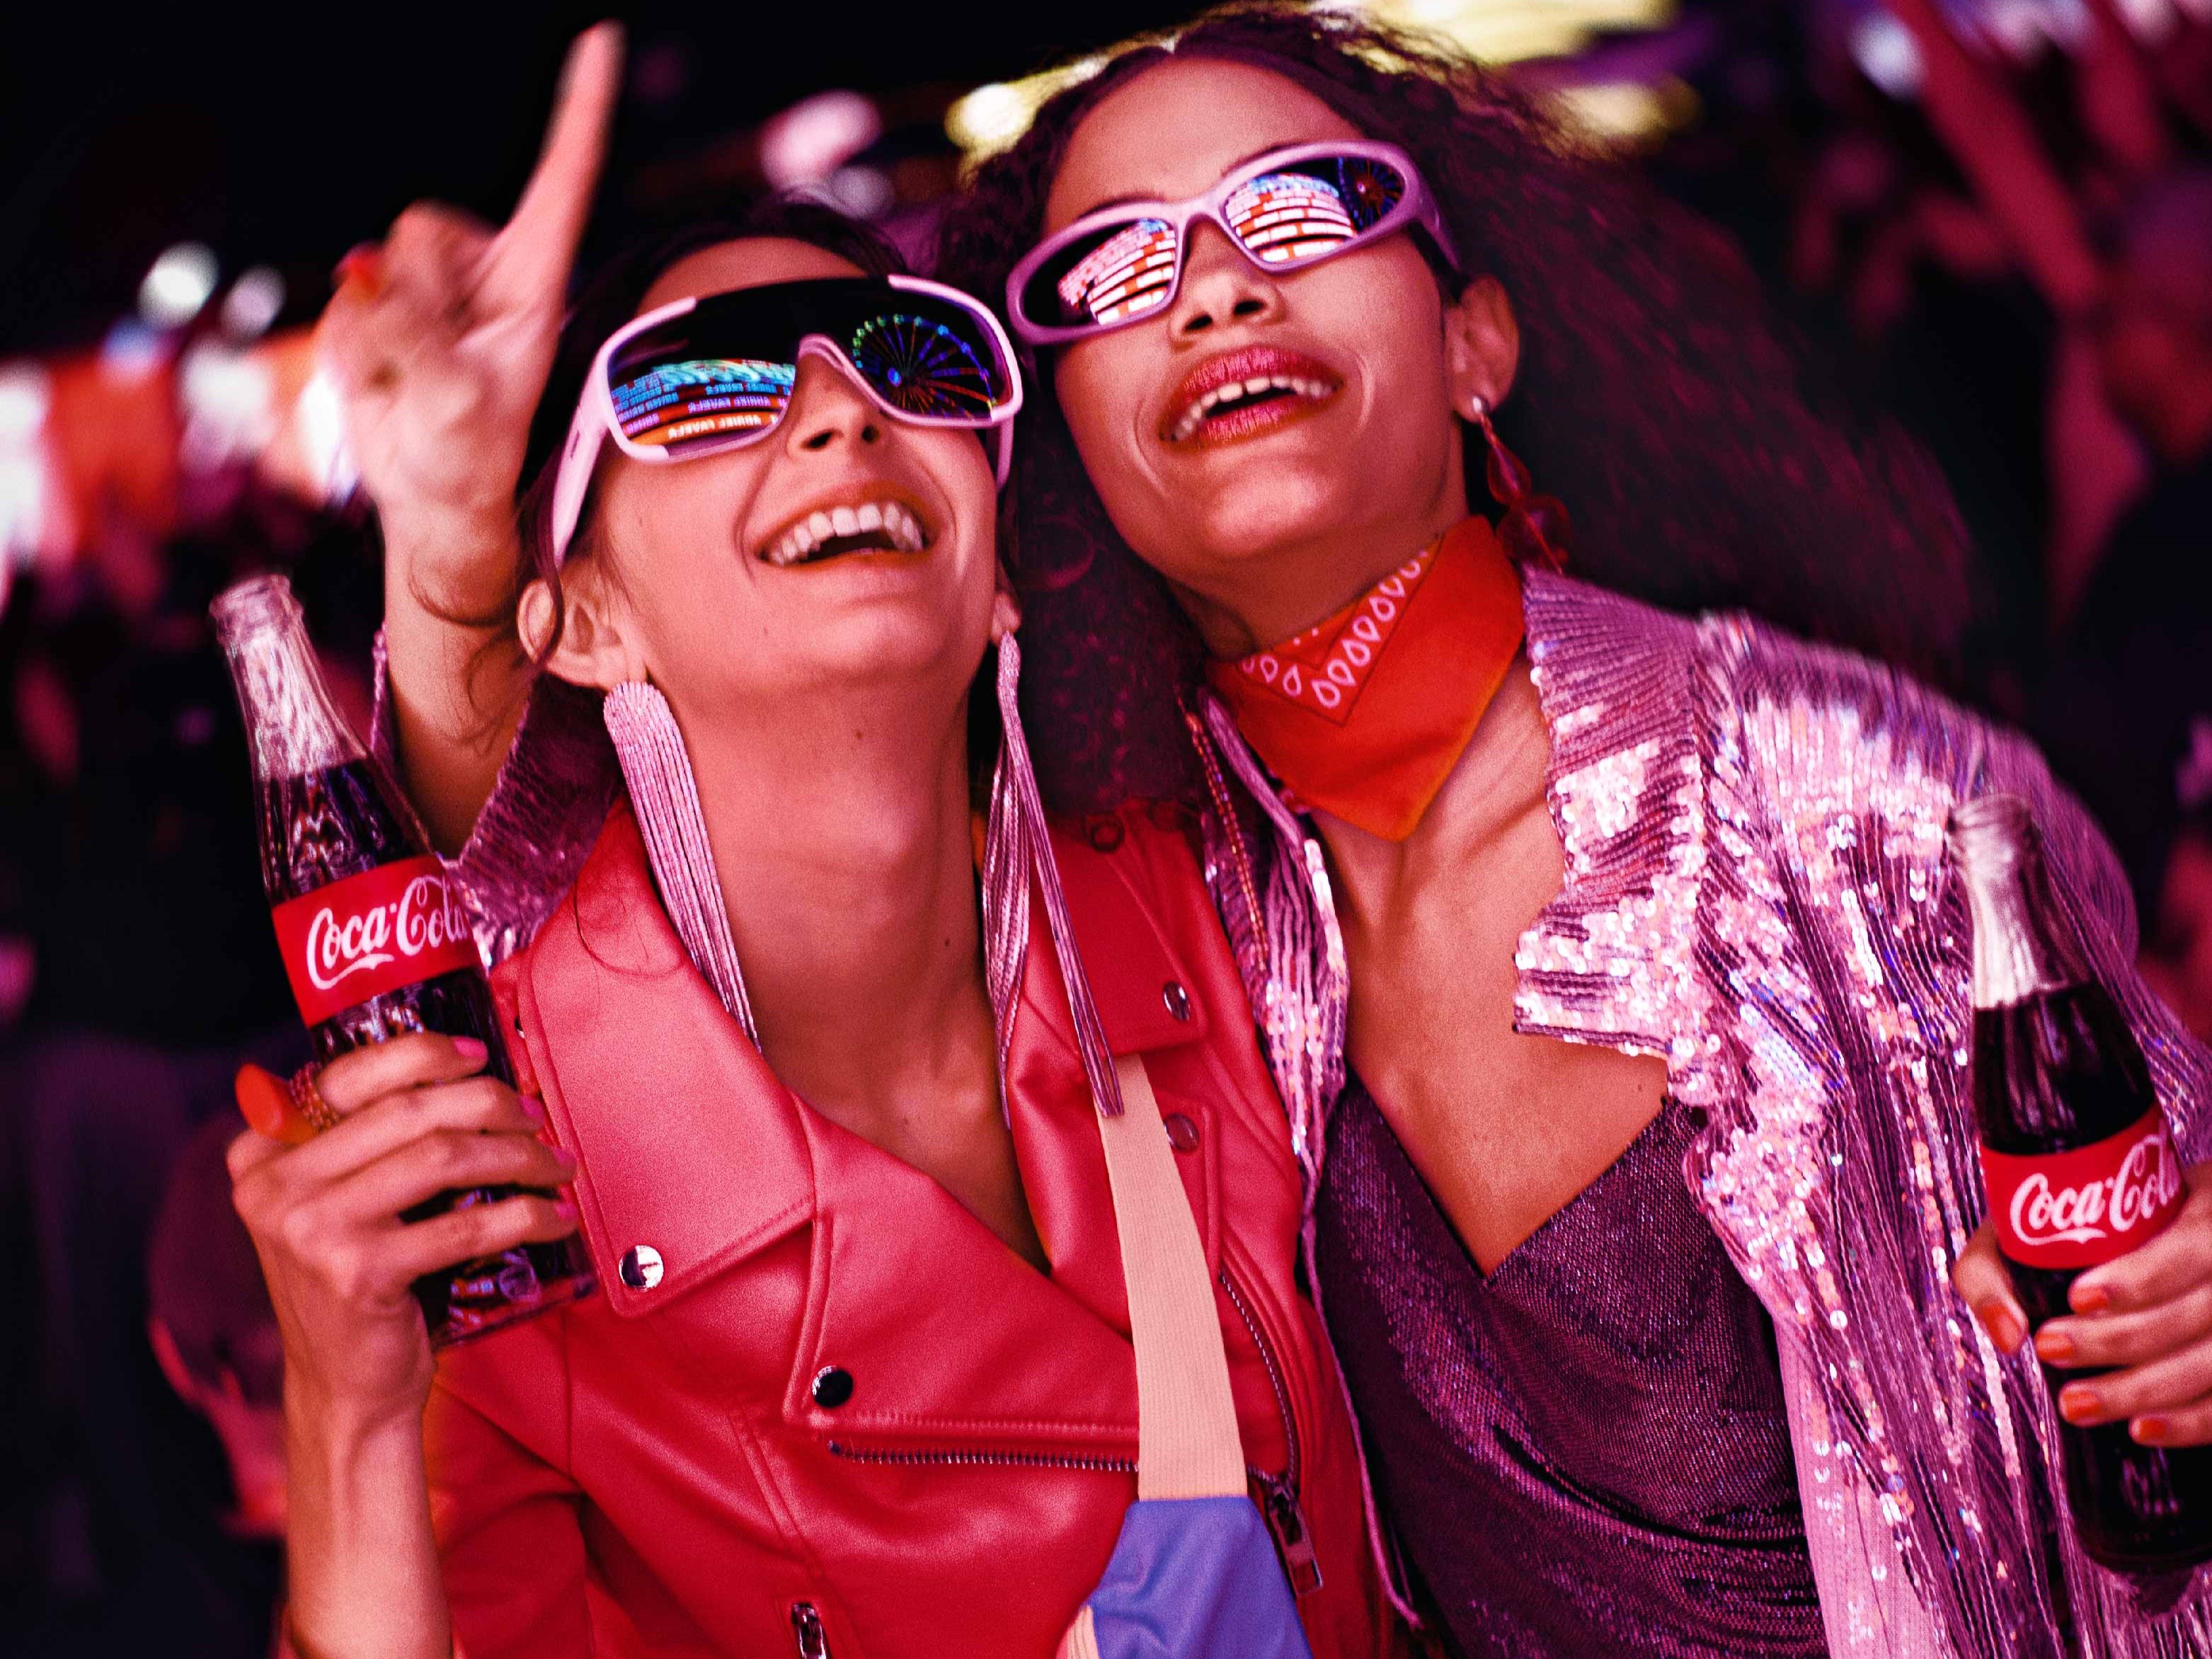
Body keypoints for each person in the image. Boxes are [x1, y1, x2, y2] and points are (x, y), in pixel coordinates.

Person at [929, 10, 2212, 1654]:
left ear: (1475, 345)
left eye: (1306, 210)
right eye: (1110, 273)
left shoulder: (1858, 796)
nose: (1214, 285)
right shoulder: (1160, 937)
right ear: (1071, 448)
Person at [229, 28, 1392, 1659]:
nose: (841, 413)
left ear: (996, 573)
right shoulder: (504, 1194)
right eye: (702, 388)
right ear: (580, 621)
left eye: (911, 361)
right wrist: (346, 1422)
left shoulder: (1218, 901)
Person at [2036, 168, 2212, 919]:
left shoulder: (2173, 540)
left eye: (2117, 313)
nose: (2097, 339)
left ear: (2182, 331)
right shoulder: (2160, 516)